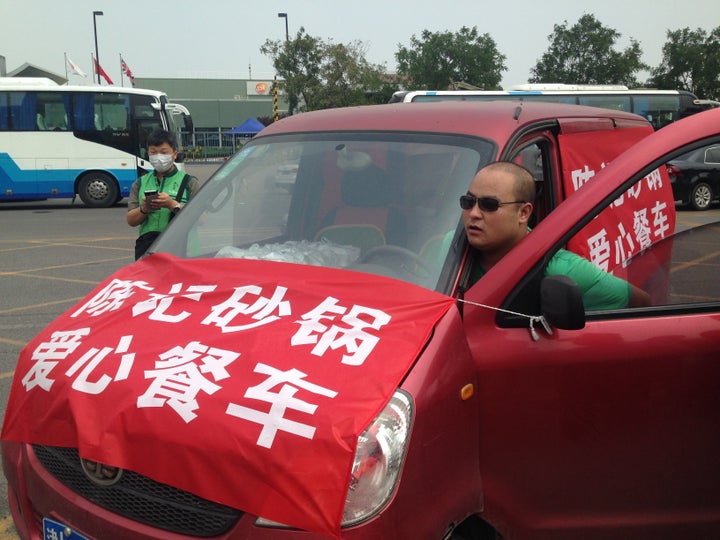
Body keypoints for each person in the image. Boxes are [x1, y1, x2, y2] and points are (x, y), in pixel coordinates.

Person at [461, 161, 651, 310]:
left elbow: (642, 302)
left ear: (524, 213)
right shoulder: (448, 249)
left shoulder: (562, 269)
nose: (474, 213)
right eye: (468, 202)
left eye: (489, 205)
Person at [127, 128, 200, 260]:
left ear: (174, 154)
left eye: (164, 152)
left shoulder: (190, 182)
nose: (158, 157)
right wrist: (144, 209)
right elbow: (131, 220)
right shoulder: (140, 183)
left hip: (184, 251)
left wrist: (173, 205)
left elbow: (201, 218)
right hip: (149, 250)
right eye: (153, 152)